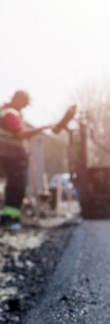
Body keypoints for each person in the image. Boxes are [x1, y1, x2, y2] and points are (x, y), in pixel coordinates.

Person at [0, 91, 51, 229]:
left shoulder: (4, 111)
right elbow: (20, 134)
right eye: (24, 103)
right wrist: (40, 128)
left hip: (11, 155)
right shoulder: (10, 114)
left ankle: (10, 218)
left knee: (14, 185)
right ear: (18, 99)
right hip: (13, 156)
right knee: (17, 186)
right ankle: (11, 219)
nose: (24, 107)